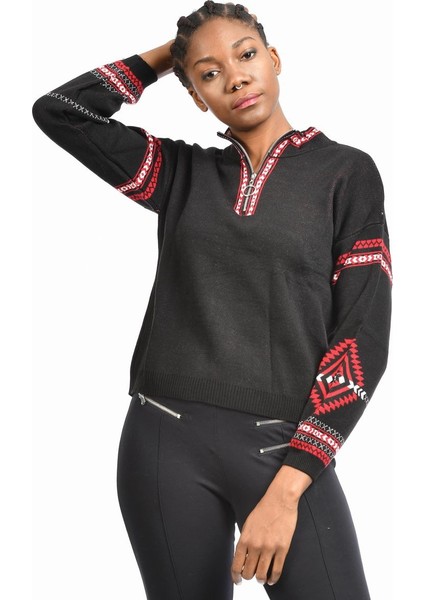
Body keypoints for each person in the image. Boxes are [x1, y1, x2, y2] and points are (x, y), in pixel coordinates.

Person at [32, 2, 392, 598]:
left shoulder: (346, 174)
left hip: (284, 447)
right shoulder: (179, 174)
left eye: (246, 55)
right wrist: (166, 58)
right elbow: (60, 113)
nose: (236, 77)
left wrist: (291, 485)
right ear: (196, 95)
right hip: (162, 440)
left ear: (274, 59)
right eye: (209, 73)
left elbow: (363, 335)